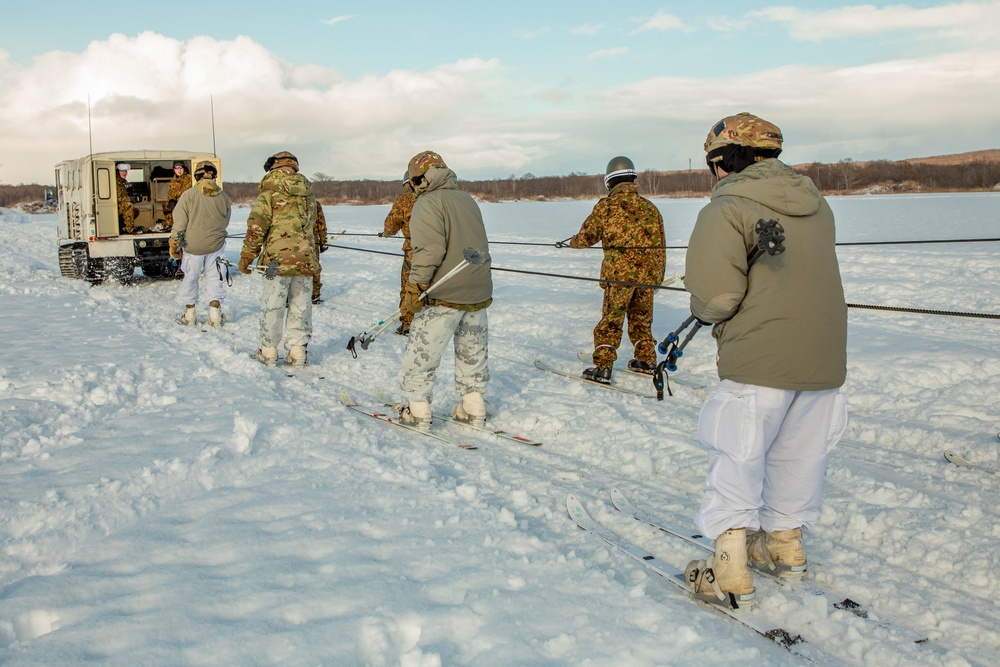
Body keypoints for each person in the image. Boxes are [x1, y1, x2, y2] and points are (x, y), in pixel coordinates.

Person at [682, 112, 849, 605]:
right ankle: (784, 545)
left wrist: (702, 309)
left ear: (721, 162)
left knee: (739, 451)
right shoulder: (818, 206)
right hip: (823, 355)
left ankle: (728, 569)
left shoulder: (724, 209)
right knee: (800, 453)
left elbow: (716, 298)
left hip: (760, 353)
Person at [394, 151, 492, 429]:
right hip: (477, 288)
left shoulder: (427, 202)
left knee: (424, 351)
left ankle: (418, 409)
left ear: (419, 177)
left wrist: (415, 287)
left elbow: (429, 250)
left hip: (443, 291)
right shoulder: (467, 199)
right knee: (471, 351)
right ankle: (473, 406)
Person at [568, 156, 665, 384]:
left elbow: (586, 237)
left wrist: (572, 242)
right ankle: (646, 360)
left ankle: (603, 367)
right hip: (647, 276)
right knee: (642, 319)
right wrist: (656, 278)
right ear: (633, 179)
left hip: (619, 277)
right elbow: (661, 246)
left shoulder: (606, 207)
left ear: (609, 183)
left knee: (611, 320)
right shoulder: (651, 208)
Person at [238, 151, 319, 367]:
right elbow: (314, 226)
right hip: (305, 260)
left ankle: (269, 350)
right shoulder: (308, 195)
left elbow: (256, 227)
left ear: (273, 168)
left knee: (273, 305)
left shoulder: (268, 194)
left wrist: (247, 255)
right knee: (300, 305)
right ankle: (297, 349)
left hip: (276, 260)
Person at [170, 161, 232, 327]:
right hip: (216, 246)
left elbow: (180, 223)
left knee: (190, 277)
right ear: (214, 176)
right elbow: (225, 221)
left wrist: (174, 244)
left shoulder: (188, 195)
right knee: (215, 278)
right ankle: (215, 315)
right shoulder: (223, 197)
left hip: (192, 247)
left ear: (197, 176)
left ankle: (190, 314)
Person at [381, 172, 416, 335]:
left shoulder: (404, 199)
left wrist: (387, 232)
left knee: (409, 286)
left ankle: (407, 323)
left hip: (414, 249)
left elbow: (391, 225)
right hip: (442, 248)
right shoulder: (437, 198)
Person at [162, 161, 194, 231]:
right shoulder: (173, 181)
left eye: (181, 168)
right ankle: (174, 224)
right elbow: (170, 195)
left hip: (188, 202)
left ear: (184, 169)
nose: (179, 170)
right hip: (177, 203)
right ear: (174, 170)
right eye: (177, 168)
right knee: (167, 205)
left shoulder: (190, 179)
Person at [312, 203, 329, 304]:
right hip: (312, 241)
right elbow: (321, 224)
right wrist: (323, 242)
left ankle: (289, 296)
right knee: (314, 267)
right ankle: (314, 294)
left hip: (290, 242)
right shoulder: (314, 202)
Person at [116, 163, 136, 234]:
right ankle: (129, 229)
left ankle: (123, 226)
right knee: (129, 206)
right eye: (122, 171)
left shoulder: (122, 182)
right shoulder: (116, 182)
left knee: (135, 211)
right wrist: (127, 200)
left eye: (125, 171)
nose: (125, 173)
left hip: (121, 204)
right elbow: (118, 198)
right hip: (116, 205)